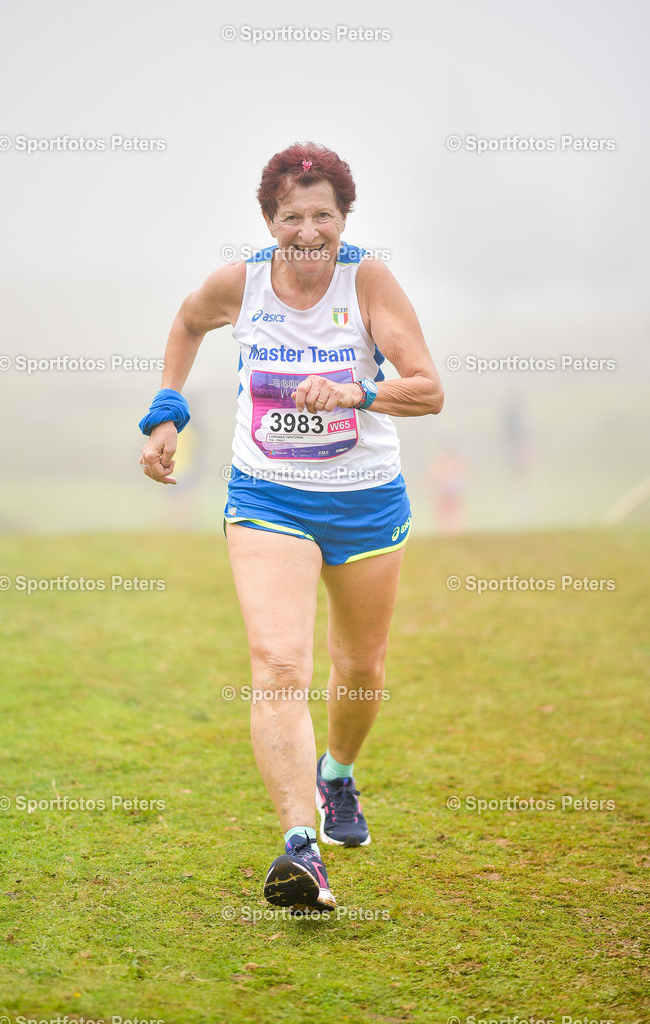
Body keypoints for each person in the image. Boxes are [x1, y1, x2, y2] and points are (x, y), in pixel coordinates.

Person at [138, 142, 444, 914]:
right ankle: (299, 850)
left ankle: (336, 773)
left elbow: (428, 389)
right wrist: (167, 412)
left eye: (322, 216)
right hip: (268, 496)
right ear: (268, 221)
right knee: (277, 663)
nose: (307, 231)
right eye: (290, 217)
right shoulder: (239, 284)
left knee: (362, 667)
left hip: (365, 500)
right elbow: (185, 323)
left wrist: (354, 392)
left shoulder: (367, 280)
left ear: (344, 219)